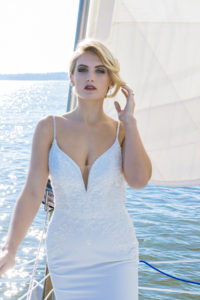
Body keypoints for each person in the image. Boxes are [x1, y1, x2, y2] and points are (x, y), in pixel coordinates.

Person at [0, 38, 152, 299]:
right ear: (72, 78)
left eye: (99, 70)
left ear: (110, 82)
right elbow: (33, 193)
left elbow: (138, 180)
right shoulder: (49, 127)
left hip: (116, 254)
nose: (90, 77)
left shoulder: (122, 131)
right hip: (66, 253)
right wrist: (10, 248)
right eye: (82, 69)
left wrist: (131, 122)